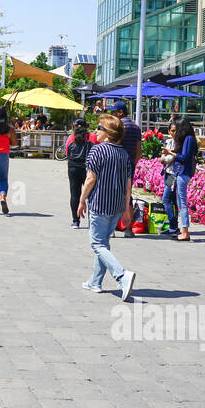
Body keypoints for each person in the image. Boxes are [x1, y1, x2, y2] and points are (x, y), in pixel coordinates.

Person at [78, 114, 137, 300]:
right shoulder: (124, 154)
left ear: (108, 133)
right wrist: (127, 209)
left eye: (99, 128)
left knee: (97, 244)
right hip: (117, 205)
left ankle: (121, 275)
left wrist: (81, 201)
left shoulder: (97, 151)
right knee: (103, 243)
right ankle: (95, 282)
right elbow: (129, 184)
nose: (95, 131)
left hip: (100, 203)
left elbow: (90, 179)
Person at [162, 117, 198, 242]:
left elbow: (184, 157)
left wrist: (171, 153)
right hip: (181, 172)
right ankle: (182, 230)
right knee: (178, 201)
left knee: (182, 203)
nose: (175, 132)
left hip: (182, 172)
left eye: (177, 129)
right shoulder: (189, 139)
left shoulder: (188, 139)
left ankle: (185, 232)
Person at [111, 100, 143, 238]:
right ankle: (128, 229)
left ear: (120, 112)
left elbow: (113, 145)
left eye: (114, 112)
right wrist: (132, 163)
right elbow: (139, 151)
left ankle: (111, 229)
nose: (112, 114)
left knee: (112, 195)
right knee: (128, 196)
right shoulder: (136, 128)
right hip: (129, 165)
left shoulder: (118, 126)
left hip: (116, 164)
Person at [64, 117, 91, 228]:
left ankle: (76, 220)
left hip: (73, 168)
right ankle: (93, 219)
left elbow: (67, 152)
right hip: (87, 168)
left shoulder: (71, 138)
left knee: (75, 193)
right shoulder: (92, 137)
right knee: (91, 194)